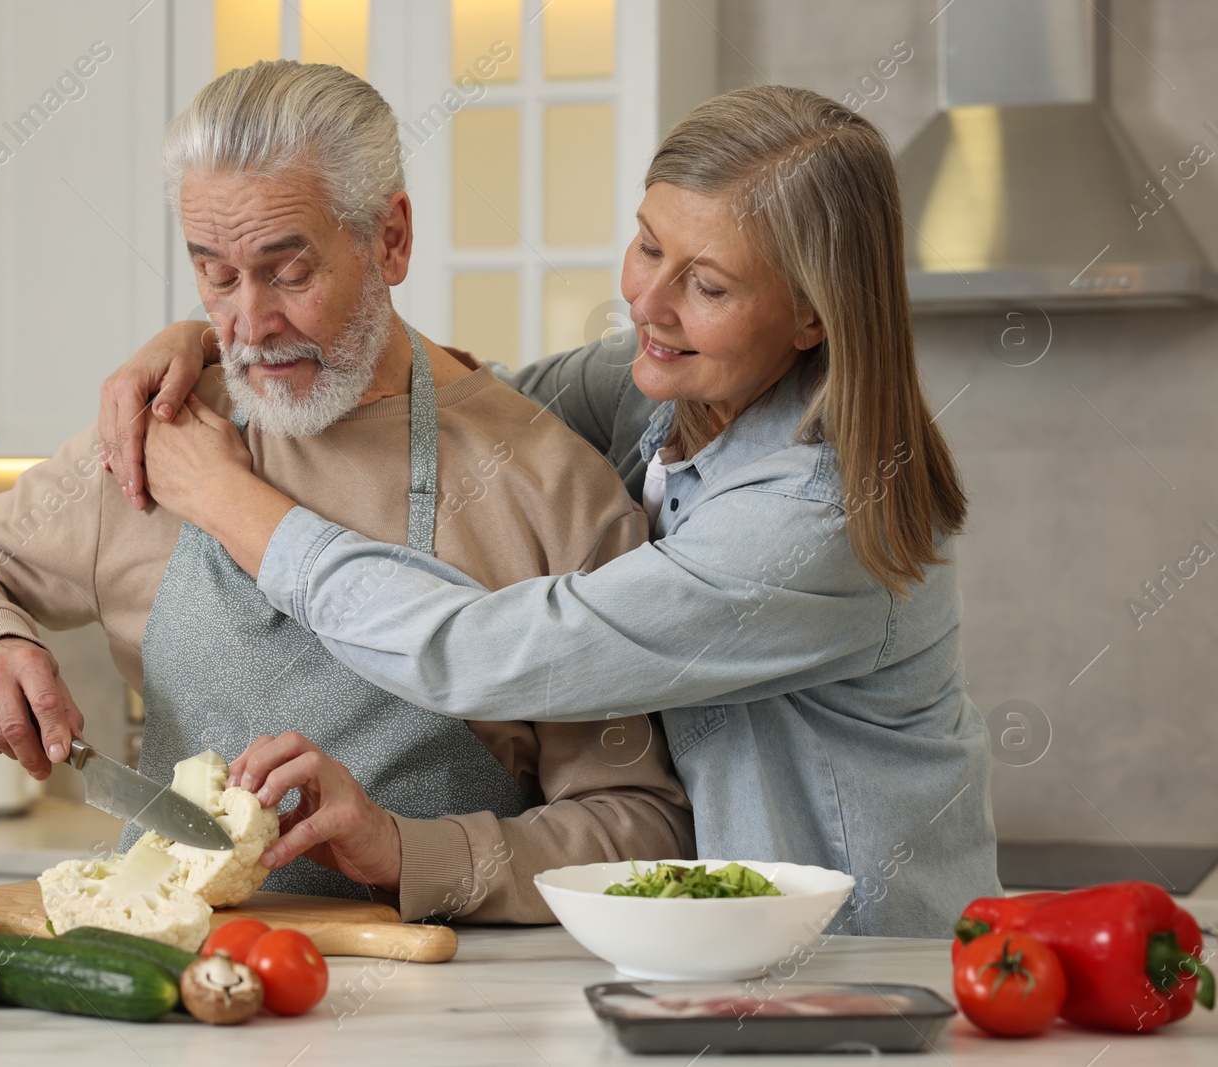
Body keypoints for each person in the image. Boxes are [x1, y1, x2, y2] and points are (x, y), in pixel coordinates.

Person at [97, 84, 1002, 938]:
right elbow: (452, 407)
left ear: (812, 315)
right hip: (726, 957)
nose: (647, 302)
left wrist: (226, 497)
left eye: (709, 286)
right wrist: (226, 336)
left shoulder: (813, 519)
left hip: (864, 963)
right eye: (648, 246)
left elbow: (478, 653)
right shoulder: (655, 386)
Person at [0, 60, 690, 924]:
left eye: (287, 271)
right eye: (216, 275)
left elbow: (639, 829)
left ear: (390, 240)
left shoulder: (553, 489)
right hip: (172, 1002)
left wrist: (403, 848)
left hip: (441, 1012)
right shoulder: (162, 431)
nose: (248, 326)